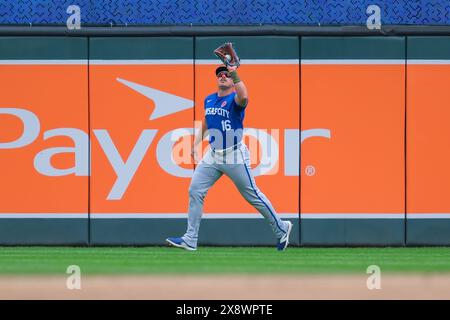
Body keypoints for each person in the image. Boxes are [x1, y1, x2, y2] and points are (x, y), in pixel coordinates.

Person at [166, 64, 293, 251]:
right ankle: (190, 238)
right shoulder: (209, 99)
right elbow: (207, 121)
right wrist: (195, 143)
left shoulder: (235, 99)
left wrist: (234, 72)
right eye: (220, 74)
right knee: (195, 190)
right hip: (213, 155)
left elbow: (244, 97)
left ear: (232, 80)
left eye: (226, 74)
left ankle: (281, 228)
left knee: (253, 195)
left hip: (234, 153)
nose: (222, 76)